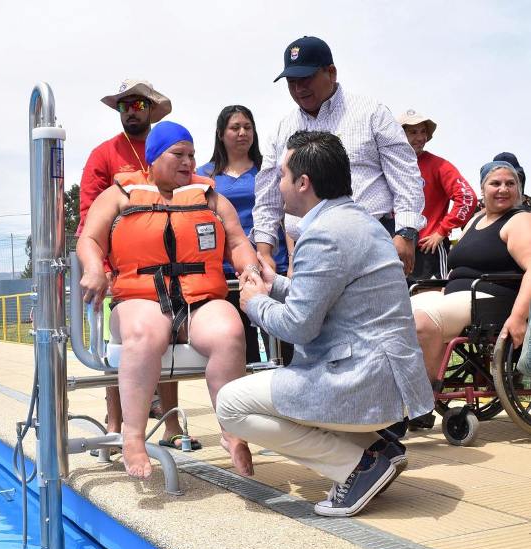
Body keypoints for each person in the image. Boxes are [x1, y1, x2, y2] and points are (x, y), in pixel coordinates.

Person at [217, 131, 434, 517]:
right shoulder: (360, 221)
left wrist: (255, 304)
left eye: (282, 175)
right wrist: (275, 285)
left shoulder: (324, 234)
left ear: (304, 182)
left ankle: (359, 466)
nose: (278, 184)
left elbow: (299, 326)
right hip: (389, 378)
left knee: (231, 404)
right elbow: (329, 295)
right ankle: (377, 447)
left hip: (362, 380)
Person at [77, 121, 258, 479]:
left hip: (199, 300)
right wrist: (94, 268)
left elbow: (237, 242)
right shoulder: (119, 195)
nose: (189, 162)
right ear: (154, 158)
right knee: (146, 336)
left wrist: (249, 267)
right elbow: (90, 240)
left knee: (229, 332)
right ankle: (132, 436)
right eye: (179, 154)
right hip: (140, 298)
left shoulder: (210, 197)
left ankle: (232, 432)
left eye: (192, 155)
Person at [252, 35, 425, 277]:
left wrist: (406, 232)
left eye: (306, 78)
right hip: (306, 251)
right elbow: (268, 197)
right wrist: (265, 251)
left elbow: (405, 176)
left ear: (331, 72)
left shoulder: (372, 114)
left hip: (369, 244)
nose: (299, 88)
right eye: (292, 81)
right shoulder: (282, 130)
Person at [75, 79, 176, 440]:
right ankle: (115, 425)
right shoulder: (103, 154)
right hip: (118, 270)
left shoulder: (167, 152)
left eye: (138, 105)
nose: (131, 111)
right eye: (124, 106)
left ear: (150, 109)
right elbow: (88, 216)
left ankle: (172, 425)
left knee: (171, 340)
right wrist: (99, 269)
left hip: (166, 264)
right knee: (117, 349)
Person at [412, 161, 531, 386]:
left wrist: (517, 317)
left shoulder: (519, 220)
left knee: (422, 322)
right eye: (495, 183)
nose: (503, 189)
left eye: (510, 183)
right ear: (483, 189)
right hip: (457, 295)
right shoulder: (476, 219)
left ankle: (423, 398)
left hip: (491, 299)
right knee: (393, 314)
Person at [197, 105, 293, 365]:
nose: (242, 133)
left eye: (247, 127)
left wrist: (292, 262)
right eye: (235, 127)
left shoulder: (269, 169)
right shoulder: (203, 175)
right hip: (227, 270)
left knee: (285, 345)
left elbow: (286, 215)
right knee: (240, 347)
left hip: (272, 265)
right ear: (220, 133)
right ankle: (247, 404)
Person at [397, 109, 477, 283]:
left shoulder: (439, 165)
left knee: (430, 301)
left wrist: (441, 231)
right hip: (395, 249)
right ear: (399, 135)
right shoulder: (391, 165)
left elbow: (468, 197)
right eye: (413, 132)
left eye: (423, 131)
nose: (420, 137)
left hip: (428, 249)